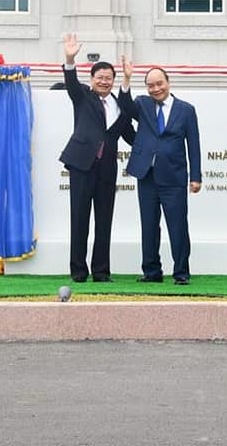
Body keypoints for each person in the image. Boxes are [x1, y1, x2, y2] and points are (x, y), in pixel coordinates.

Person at [59, 34, 136, 283]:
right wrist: (70, 58)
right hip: (82, 166)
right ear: (92, 79)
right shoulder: (82, 96)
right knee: (79, 218)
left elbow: (131, 137)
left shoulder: (121, 106)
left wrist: (156, 145)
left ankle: (101, 271)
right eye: (100, 77)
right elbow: (71, 82)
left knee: (104, 221)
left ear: (114, 80)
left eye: (108, 78)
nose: (104, 81)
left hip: (107, 170)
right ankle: (78, 271)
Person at [118, 60, 201, 285]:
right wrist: (126, 79)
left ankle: (181, 272)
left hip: (174, 177)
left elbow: (193, 145)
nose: (156, 89)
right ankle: (152, 272)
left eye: (159, 84)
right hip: (147, 175)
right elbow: (125, 106)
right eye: (151, 85)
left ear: (168, 82)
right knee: (149, 226)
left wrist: (196, 177)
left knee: (178, 226)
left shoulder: (186, 110)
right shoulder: (143, 104)